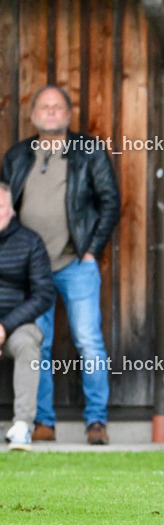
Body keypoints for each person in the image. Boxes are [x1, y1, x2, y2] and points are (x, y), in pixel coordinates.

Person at [0, 85, 120, 445]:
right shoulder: (18, 156)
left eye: (57, 107)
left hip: (75, 263)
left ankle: (96, 422)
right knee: (41, 343)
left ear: (68, 115)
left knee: (89, 341)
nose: (50, 112)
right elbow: (4, 205)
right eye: (43, 107)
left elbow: (110, 202)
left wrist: (91, 250)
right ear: (34, 114)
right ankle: (43, 422)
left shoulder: (88, 152)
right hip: (31, 269)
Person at [0, 183, 55, 450]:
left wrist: (4, 327)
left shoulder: (30, 242)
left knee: (27, 344)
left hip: (15, 326)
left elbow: (43, 294)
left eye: (0, 206)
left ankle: (22, 426)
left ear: (11, 209)